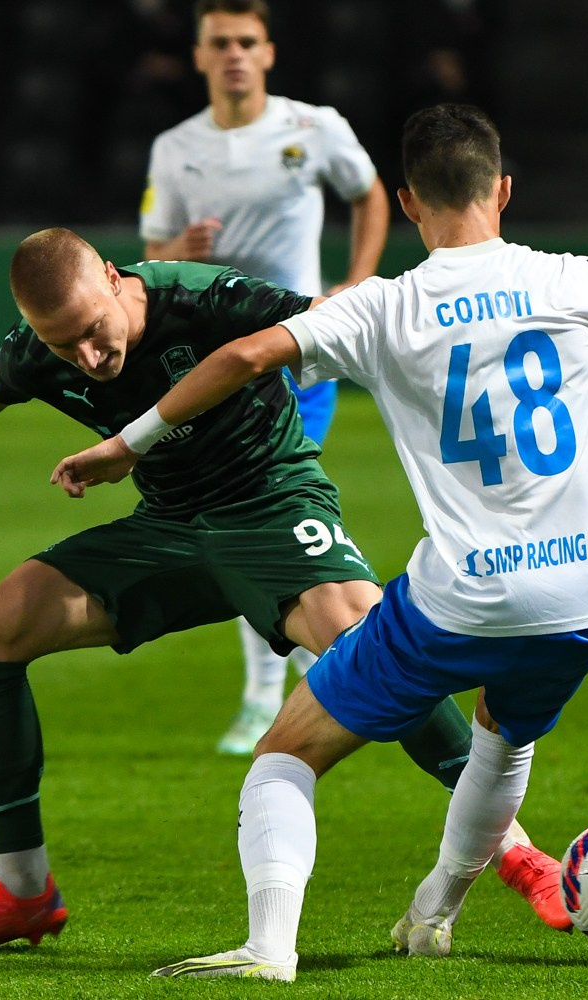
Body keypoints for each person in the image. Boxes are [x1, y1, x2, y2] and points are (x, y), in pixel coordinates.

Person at [50, 104, 588, 980]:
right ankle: (433, 914)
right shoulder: (574, 279)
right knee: (503, 740)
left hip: (462, 597)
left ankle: (269, 947)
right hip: (582, 596)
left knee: (283, 757)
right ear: (503, 191)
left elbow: (240, 359)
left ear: (409, 203)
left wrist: (129, 444)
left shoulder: (384, 306)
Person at [0, 226, 566, 953]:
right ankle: (22, 890)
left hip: (271, 506)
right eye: (63, 346)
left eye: (94, 331)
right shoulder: (45, 347)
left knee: (372, 648)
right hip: (167, 527)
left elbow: (328, 322)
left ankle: (518, 854)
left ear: (113, 278)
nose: (88, 357)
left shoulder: (203, 299)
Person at [139, 0, 391, 756]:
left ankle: (263, 695)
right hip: (211, 362)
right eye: (220, 42)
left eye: (247, 41)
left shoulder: (313, 127)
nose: (234, 54)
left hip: (293, 352)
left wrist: (357, 279)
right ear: (199, 56)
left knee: (261, 511)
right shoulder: (175, 147)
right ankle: (313, 665)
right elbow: (151, 257)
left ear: (269, 52)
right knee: (245, 516)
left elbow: (369, 192)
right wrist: (177, 249)